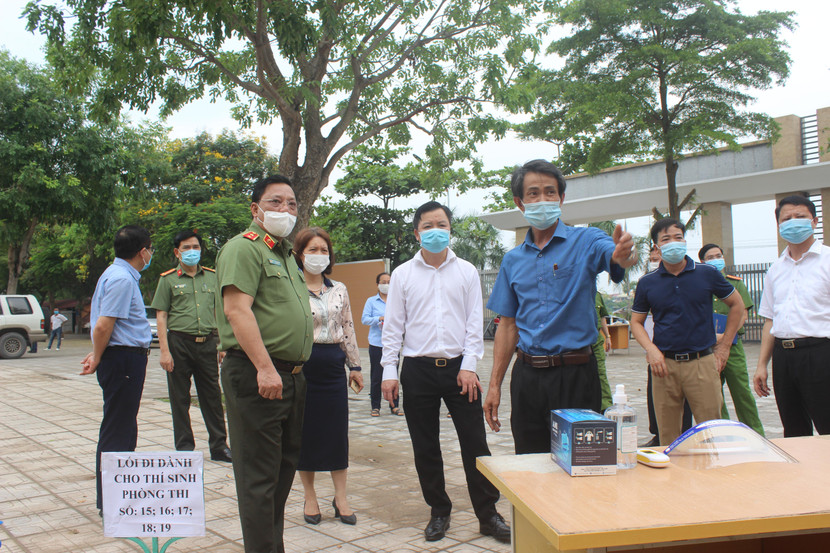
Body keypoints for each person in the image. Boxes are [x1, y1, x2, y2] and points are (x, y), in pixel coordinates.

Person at [483, 159, 637, 454]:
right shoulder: (512, 260)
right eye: (534, 193)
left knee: (582, 463)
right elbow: (508, 326)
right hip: (527, 377)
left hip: (577, 376)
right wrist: (494, 386)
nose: (543, 199)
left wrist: (622, 256)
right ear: (520, 202)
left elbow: (614, 257)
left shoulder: (587, 240)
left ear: (561, 198)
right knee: (529, 463)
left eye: (550, 192)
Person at [381, 201, 510, 544]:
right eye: (427, 225)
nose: (435, 230)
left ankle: (488, 514)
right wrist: (388, 372)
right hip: (417, 370)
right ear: (417, 232)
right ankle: (439, 511)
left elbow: (473, 324)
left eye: (441, 224)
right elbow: (393, 327)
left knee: (476, 444)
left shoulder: (466, 271)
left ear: (450, 229)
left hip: (460, 371)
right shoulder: (402, 275)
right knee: (425, 446)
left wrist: (469, 367)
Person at [215, 175, 313, 553]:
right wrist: (265, 367)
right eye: (275, 202)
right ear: (255, 209)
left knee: (281, 472)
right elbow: (237, 311)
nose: (285, 210)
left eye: (291, 204)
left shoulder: (285, 254)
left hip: (290, 378)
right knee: (259, 480)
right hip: (259, 376)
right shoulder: (244, 248)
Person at [630, 218, 744, 446]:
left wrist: (724, 347)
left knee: (711, 433)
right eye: (666, 239)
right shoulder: (647, 282)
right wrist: (651, 350)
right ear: (657, 246)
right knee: (668, 437)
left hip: (702, 362)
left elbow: (737, 305)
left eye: (678, 237)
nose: (673, 243)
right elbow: (636, 322)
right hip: (664, 366)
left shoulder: (706, 273)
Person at [81, 225, 153, 515]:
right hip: (123, 359)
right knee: (118, 429)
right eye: (150, 248)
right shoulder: (123, 278)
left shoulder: (115, 274)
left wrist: (99, 351)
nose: (151, 253)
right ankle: (111, 501)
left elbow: (104, 324)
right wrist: (98, 356)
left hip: (122, 357)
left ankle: (116, 492)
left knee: (122, 425)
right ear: (142, 251)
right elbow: (103, 325)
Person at [293, 227, 364, 525]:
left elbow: (348, 327)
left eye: (324, 250)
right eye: (312, 250)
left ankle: (341, 497)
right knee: (305, 434)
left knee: (337, 434)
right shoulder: (289, 288)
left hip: (333, 367)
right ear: (299, 254)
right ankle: (310, 496)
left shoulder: (340, 289)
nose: (318, 255)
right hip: (301, 367)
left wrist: (355, 366)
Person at [151, 230, 232, 462]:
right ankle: (185, 447)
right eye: (186, 248)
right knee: (180, 398)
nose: (192, 252)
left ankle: (219, 446)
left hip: (207, 343)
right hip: (179, 344)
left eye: (195, 247)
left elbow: (220, 311)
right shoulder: (168, 279)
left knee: (213, 396)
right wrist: (164, 351)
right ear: (177, 253)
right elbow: (161, 316)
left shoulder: (212, 277)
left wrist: (223, 343)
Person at [753, 195, 830, 437]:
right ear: (778, 226)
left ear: (815, 221)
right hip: (784, 357)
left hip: (820, 354)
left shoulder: (827, 260)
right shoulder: (776, 269)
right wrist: (762, 365)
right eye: (787, 218)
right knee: (794, 430)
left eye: (800, 217)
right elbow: (769, 320)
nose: (793, 222)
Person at [698, 243, 764, 436]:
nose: (716, 259)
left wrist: (726, 337)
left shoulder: (735, 283)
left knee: (742, 393)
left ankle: (755, 434)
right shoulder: (700, 285)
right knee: (713, 395)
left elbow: (742, 313)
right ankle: (722, 434)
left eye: (718, 255)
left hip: (733, 347)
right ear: (702, 261)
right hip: (708, 348)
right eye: (710, 257)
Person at [641, 245, 692, 447]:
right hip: (654, 348)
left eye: (658, 257)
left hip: (680, 349)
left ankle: (685, 435)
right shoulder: (648, 284)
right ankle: (659, 435)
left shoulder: (682, 282)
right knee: (655, 396)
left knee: (684, 396)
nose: (655, 260)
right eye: (653, 258)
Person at [361, 272, 403, 417]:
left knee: (393, 375)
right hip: (376, 344)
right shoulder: (371, 301)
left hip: (393, 344)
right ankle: (375, 406)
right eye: (383, 282)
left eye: (389, 282)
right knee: (376, 376)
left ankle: (394, 406)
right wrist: (379, 318)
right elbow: (364, 319)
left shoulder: (396, 301)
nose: (386, 285)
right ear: (378, 284)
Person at [593, 292, 613, 411]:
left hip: (596, 340)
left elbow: (602, 317)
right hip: (578, 341)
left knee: (601, 373)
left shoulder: (597, 295)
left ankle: (606, 406)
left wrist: (608, 336)